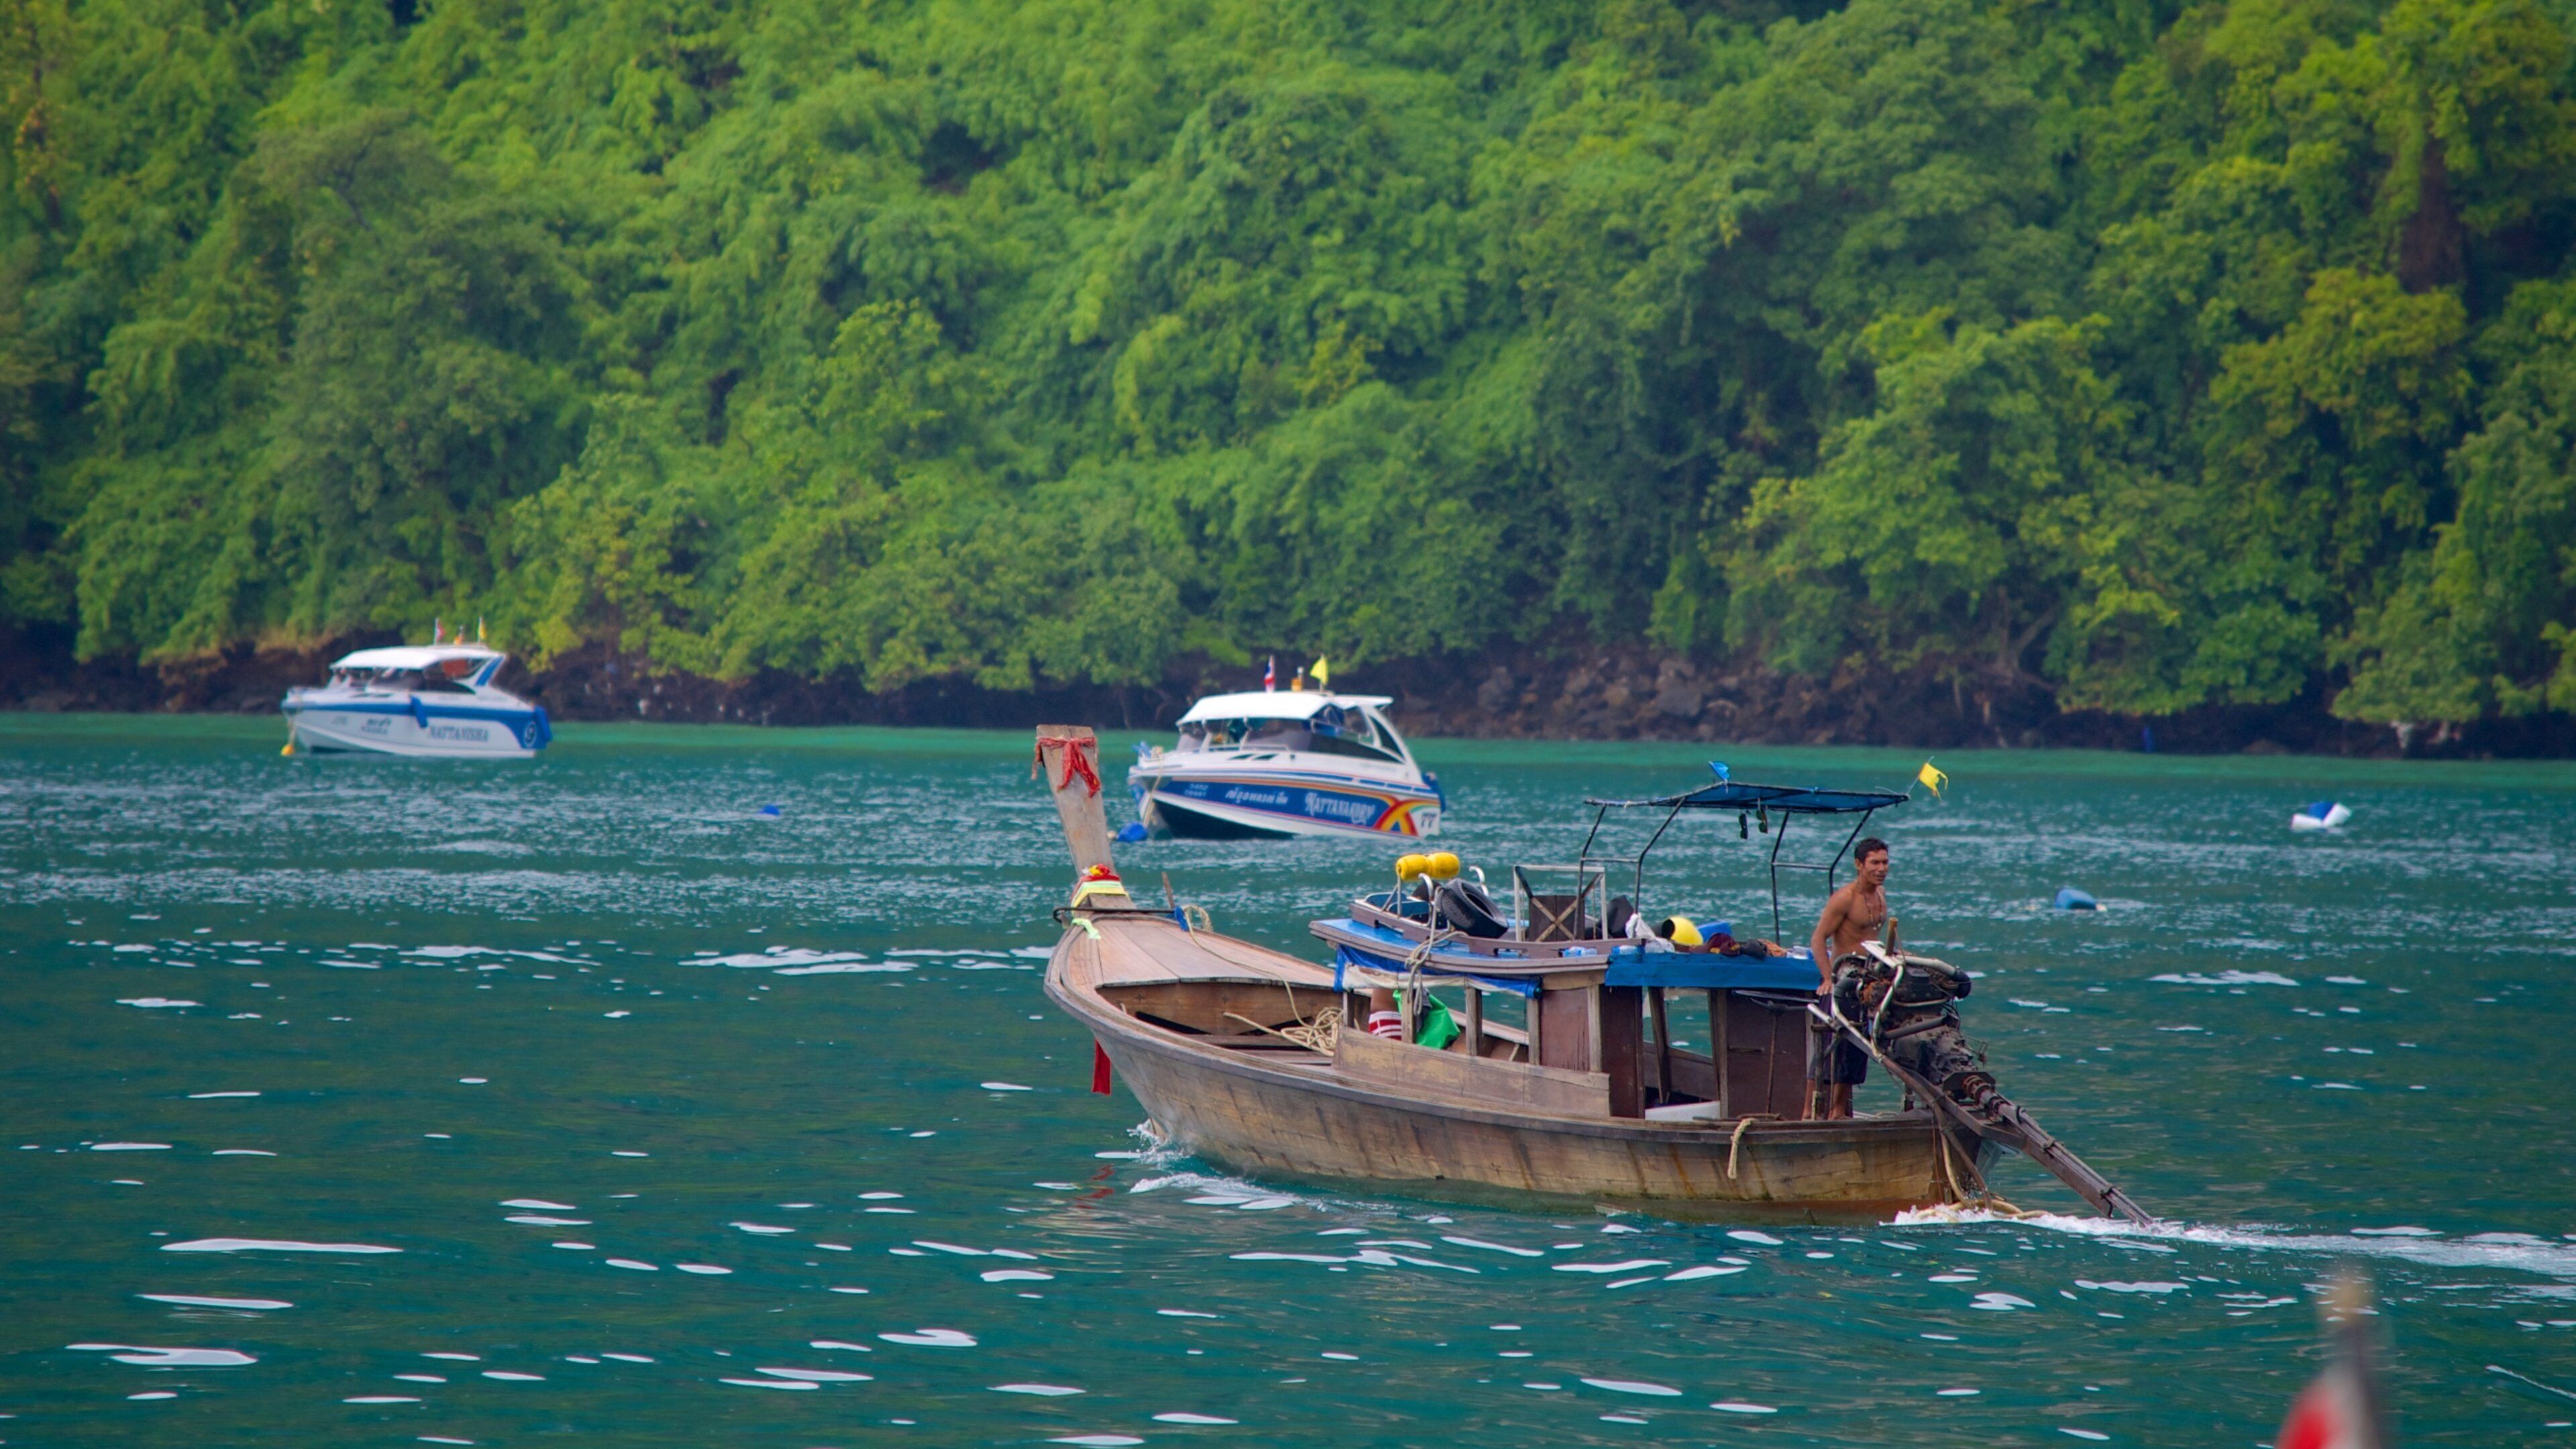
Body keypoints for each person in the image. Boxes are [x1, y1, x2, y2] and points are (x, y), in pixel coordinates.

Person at [1805, 837, 1892, 1120]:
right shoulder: (1845, 898)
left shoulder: (1880, 895)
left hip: (1869, 977)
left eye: (1885, 862)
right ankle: (1810, 1110)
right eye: (1874, 863)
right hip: (1842, 976)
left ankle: (1839, 1109)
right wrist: (1826, 977)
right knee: (1829, 1047)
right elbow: (1818, 939)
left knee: (1858, 1045)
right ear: (1859, 865)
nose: (1881, 869)